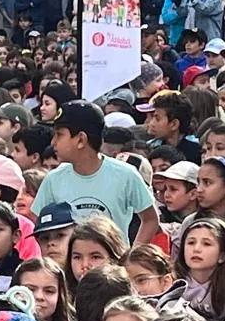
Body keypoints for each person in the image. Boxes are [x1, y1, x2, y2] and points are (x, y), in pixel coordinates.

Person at [32, 101, 158, 246]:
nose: (53, 142)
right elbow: (38, 221)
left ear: (81, 139)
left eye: (59, 135)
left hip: (113, 267)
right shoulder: (53, 179)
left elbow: (150, 219)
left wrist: (131, 257)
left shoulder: (125, 175)